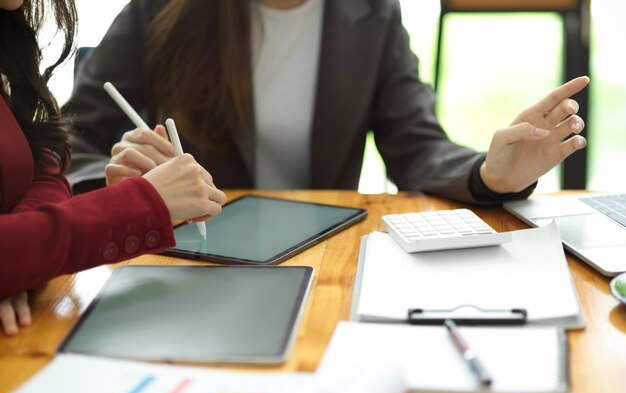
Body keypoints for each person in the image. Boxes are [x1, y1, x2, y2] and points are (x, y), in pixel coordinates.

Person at [65, 0, 588, 204]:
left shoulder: (373, 15)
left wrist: (488, 174)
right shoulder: (165, 8)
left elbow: (416, 146)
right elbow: (76, 141)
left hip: (322, 252)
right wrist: (118, 192)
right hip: (193, 252)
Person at [0, 0, 227, 336]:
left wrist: (23, 261)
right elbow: (77, 141)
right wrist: (141, 202)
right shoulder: (160, 11)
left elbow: (43, 166)